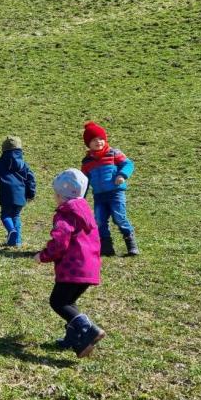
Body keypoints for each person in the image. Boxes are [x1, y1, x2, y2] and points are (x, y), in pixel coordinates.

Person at [36, 169, 105, 358]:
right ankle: (74, 339)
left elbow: (60, 241)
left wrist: (43, 255)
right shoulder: (86, 212)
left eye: (55, 194)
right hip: (89, 268)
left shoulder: (65, 214)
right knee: (69, 302)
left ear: (60, 195)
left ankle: (89, 329)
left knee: (57, 302)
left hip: (72, 268)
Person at [81, 122, 139, 256]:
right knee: (99, 221)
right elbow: (84, 180)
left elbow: (128, 164)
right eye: (94, 140)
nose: (98, 142)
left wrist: (122, 175)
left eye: (100, 139)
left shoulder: (113, 153)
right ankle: (107, 247)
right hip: (99, 196)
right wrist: (81, 197)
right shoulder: (86, 162)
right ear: (88, 144)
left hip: (115, 193)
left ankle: (131, 244)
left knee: (119, 217)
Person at [0, 135, 36, 246]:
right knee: (16, 215)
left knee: (5, 215)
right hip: (21, 196)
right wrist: (31, 194)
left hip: (6, 195)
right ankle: (17, 241)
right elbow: (31, 179)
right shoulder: (24, 165)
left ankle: (11, 231)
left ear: (3, 150)